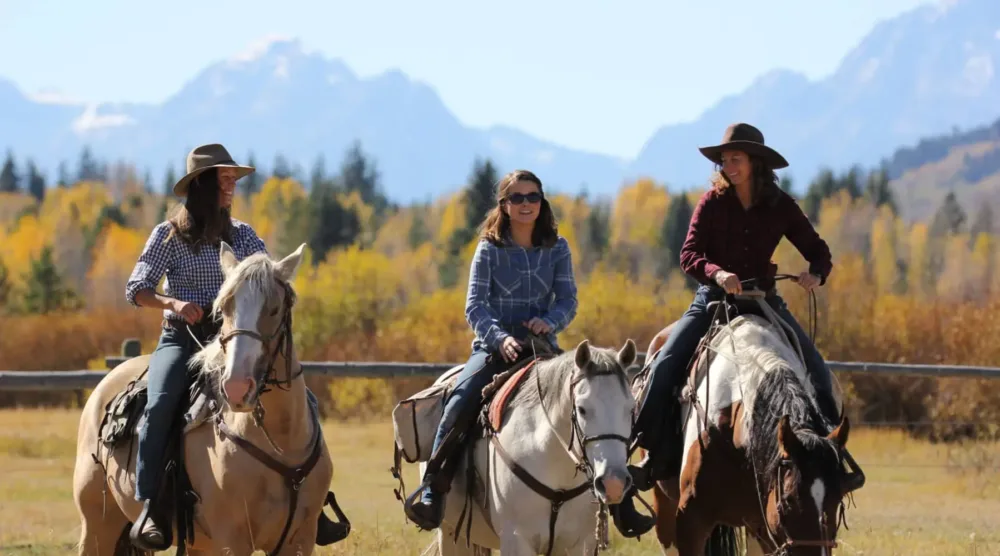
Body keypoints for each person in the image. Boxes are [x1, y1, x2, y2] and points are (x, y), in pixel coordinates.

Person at [616, 123, 842, 535]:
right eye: (724, 158)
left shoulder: (780, 206)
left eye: (735, 158)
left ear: (755, 162)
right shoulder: (711, 202)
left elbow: (818, 250)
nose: (727, 164)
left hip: (763, 301)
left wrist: (816, 274)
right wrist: (717, 273)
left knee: (818, 372)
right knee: (665, 364)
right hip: (713, 301)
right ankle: (649, 459)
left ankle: (826, 458)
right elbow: (689, 254)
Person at [403, 169, 579, 531]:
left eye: (533, 197)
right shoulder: (489, 248)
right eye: (517, 198)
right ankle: (433, 491)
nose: (526, 204)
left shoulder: (558, 248)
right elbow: (475, 306)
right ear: (504, 205)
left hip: (542, 348)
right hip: (493, 348)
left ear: (541, 201)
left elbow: (568, 300)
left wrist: (551, 322)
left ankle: (609, 498)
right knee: (461, 399)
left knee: (587, 399)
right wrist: (500, 338)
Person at [123, 143, 266, 550]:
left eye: (232, 181)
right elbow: (137, 288)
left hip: (232, 340)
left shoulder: (242, 235)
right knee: (161, 403)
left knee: (288, 394)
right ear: (201, 184)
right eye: (224, 179)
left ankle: (311, 496)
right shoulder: (168, 235)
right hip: (182, 340)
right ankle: (151, 505)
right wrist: (173, 303)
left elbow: (267, 276)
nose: (231, 187)